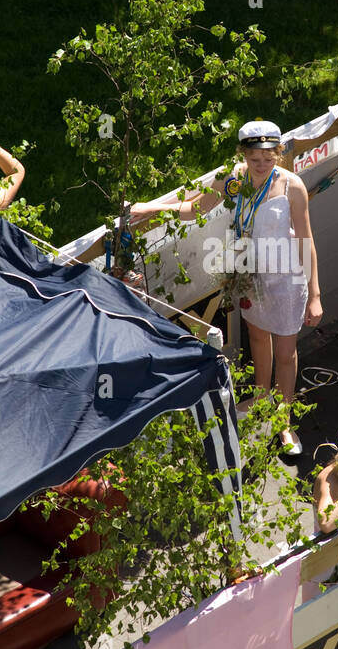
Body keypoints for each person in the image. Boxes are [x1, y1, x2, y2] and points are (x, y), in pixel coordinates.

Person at [129, 120, 323, 455]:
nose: (261, 165)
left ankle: (285, 421)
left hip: (287, 278)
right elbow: (194, 209)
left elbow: (306, 240)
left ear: (278, 153)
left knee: (286, 352)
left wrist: (315, 294)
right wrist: (150, 208)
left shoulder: (292, 186)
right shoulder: (232, 178)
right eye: (254, 158)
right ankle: (263, 403)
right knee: (259, 339)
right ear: (243, 154)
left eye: (268, 157)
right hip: (248, 273)